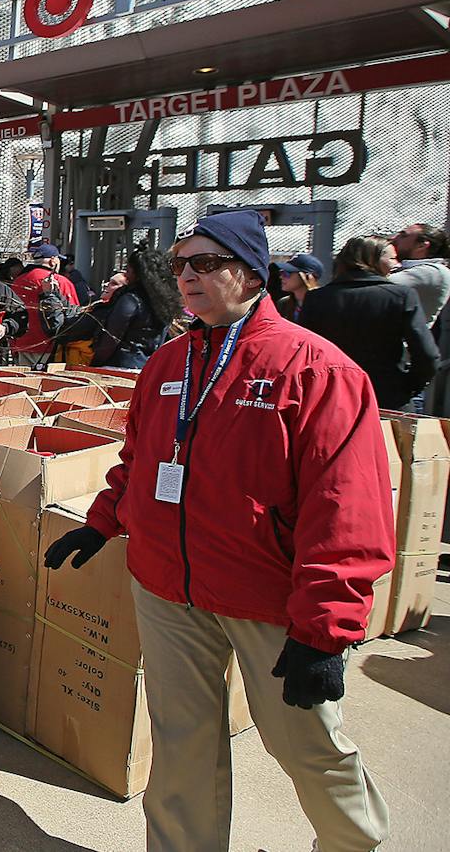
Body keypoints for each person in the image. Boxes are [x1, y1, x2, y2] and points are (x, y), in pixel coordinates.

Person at [45, 209, 394, 852]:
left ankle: (354, 843)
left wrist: (326, 629)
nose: (186, 278)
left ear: (248, 272)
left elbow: (347, 508)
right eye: (180, 265)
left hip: (266, 596)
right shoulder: (168, 362)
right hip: (166, 590)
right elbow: (142, 461)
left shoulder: (315, 369)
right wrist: (102, 522)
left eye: (204, 264)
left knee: (310, 745)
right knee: (182, 746)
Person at [299, 236, 439, 412]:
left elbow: (304, 351)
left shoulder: (316, 298)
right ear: (371, 259)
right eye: (391, 258)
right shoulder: (401, 296)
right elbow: (427, 354)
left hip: (330, 398)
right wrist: (407, 387)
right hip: (386, 398)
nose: (397, 264)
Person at [50, 243, 181, 369]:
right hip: (149, 367)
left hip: (121, 365)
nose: (126, 274)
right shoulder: (164, 302)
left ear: (137, 272)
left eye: (128, 270)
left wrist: (96, 362)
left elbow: (112, 337)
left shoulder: (130, 299)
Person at [10, 243, 79, 365]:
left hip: (22, 343)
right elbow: (74, 316)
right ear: (53, 261)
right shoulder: (60, 282)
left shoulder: (18, 281)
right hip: (50, 347)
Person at [389, 222, 450, 329]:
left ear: (422, 245)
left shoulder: (435, 271)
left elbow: (379, 285)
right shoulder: (406, 267)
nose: (393, 238)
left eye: (403, 235)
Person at [273, 253, 323, 322]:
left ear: (307, 277)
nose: (281, 277)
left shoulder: (324, 305)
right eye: (281, 272)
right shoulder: (283, 304)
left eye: (287, 273)